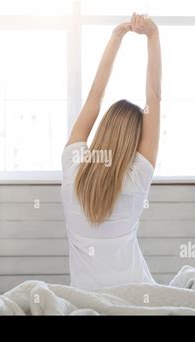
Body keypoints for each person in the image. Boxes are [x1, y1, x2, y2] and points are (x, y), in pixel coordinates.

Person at [61, 13, 162, 290]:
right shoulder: (137, 178)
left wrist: (117, 36)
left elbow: (95, 95)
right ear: (136, 141)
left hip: (85, 298)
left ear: (103, 127)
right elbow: (154, 96)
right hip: (139, 298)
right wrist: (153, 36)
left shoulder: (73, 167)